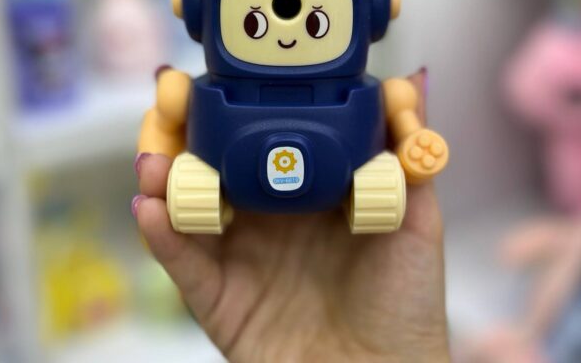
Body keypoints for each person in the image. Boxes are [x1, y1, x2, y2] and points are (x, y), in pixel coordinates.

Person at [132, 71, 451, 362]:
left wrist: (409, 135)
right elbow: (165, 123)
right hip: (226, 159)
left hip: (347, 160)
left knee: (387, 131)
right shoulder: (206, 95)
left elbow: (397, 110)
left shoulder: (365, 95)